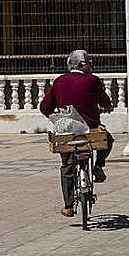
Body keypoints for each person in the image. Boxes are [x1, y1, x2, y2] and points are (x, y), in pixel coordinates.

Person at [40, 49, 115, 217]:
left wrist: (56, 116)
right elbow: (104, 100)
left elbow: (44, 107)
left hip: (66, 133)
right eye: (89, 61)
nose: (91, 64)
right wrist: (108, 107)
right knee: (107, 139)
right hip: (90, 130)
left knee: (67, 166)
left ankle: (68, 205)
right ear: (82, 64)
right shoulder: (92, 80)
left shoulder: (59, 81)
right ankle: (98, 167)